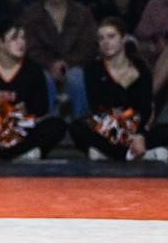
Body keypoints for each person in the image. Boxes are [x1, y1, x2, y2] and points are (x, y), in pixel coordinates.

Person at [0, 22, 68, 161]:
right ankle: (17, 153)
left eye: (23, 38)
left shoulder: (33, 70)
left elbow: (40, 110)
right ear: (0, 42)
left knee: (56, 125)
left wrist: (15, 116)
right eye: (15, 38)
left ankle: (1, 154)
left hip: (20, 129)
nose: (21, 43)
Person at [69, 17, 168, 161]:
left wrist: (140, 135)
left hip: (136, 124)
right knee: (78, 128)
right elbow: (98, 106)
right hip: (108, 126)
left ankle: (114, 152)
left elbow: (145, 107)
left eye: (111, 37)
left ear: (124, 39)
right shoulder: (93, 69)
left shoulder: (141, 69)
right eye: (101, 38)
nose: (106, 42)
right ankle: (130, 155)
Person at [21, 0, 97, 118]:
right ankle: (49, 126)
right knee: (44, 79)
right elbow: (30, 47)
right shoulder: (32, 14)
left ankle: (81, 125)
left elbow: (88, 47)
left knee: (76, 78)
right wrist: (50, 64)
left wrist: (64, 64)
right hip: (42, 66)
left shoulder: (83, 14)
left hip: (74, 65)